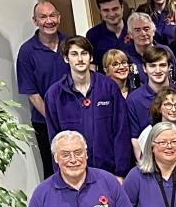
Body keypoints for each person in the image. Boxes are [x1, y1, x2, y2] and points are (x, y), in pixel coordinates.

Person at [44, 36, 132, 179]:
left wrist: (121, 173)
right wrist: (61, 176)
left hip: (110, 173)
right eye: (74, 54)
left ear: (91, 57)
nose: (80, 59)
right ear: (66, 58)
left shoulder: (108, 87)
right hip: (75, 175)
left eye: (84, 53)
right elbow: (55, 142)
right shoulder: (54, 95)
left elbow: (121, 131)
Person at [17, 1, 69, 178]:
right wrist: (54, 119)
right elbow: (32, 94)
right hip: (45, 123)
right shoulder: (26, 51)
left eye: (52, 15)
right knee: (54, 170)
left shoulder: (70, 43)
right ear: (35, 21)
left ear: (59, 17)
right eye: (43, 17)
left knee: (81, 164)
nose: (49, 21)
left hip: (76, 117)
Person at [126, 46, 176, 159]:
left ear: (169, 67)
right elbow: (135, 138)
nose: (158, 70)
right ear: (144, 68)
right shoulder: (134, 99)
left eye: (162, 65)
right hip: (149, 159)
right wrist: (144, 166)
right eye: (152, 66)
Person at [123, 12, 176, 85]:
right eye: (137, 30)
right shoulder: (125, 56)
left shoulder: (165, 51)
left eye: (146, 29)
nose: (143, 33)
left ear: (153, 31)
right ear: (130, 35)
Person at [87, 0, 129, 72]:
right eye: (106, 10)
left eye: (115, 9)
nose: (111, 14)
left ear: (122, 8)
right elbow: (92, 66)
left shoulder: (135, 29)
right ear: (100, 11)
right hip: (106, 83)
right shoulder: (93, 35)